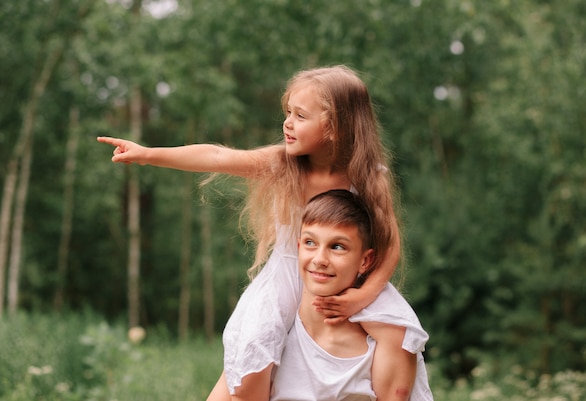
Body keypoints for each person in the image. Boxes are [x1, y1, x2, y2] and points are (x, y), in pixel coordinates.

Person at [98, 65, 403, 401]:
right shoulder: (282, 163)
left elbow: (390, 246)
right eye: (288, 112)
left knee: (400, 333)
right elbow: (216, 155)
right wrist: (148, 155)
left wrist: (362, 297)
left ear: (334, 127)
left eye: (300, 116)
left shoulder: (369, 177)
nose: (287, 123)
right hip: (286, 277)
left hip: (345, 280)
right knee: (249, 364)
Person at [269, 189, 432, 401]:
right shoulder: (273, 325)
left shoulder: (388, 336)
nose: (319, 259)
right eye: (310, 243)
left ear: (365, 261)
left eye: (337, 247)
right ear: (299, 247)